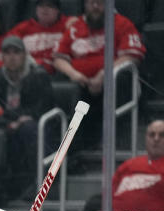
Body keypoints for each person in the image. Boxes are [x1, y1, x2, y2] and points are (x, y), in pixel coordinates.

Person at [52, 0, 144, 148]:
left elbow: (132, 56)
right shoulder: (75, 27)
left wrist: (104, 75)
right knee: (63, 88)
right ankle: (73, 148)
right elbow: (58, 58)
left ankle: (114, 140)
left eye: (100, 3)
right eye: (91, 3)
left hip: (111, 80)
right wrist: (74, 74)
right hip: (82, 83)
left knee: (120, 78)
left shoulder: (122, 24)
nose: (95, 7)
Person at [0, 36, 54, 197]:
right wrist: (8, 121)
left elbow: (40, 109)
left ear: (24, 55)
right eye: (7, 53)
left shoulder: (38, 75)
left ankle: (43, 182)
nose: (12, 57)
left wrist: (3, 114)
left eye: (16, 52)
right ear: (2, 57)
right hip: (8, 124)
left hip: (38, 125)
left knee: (28, 128)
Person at [112, 120, 164, 211]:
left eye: (162, 135)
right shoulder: (128, 165)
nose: (156, 139)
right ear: (146, 138)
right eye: (152, 135)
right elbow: (110, 193)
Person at [6, 0, 67, 74]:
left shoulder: (68, 24)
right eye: (41, 6)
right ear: (36, 9)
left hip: (58, 71)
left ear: (58, 11)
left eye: (50, 6)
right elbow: (7, 49)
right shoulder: (22, 28)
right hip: (26, 70)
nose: (45, 9)